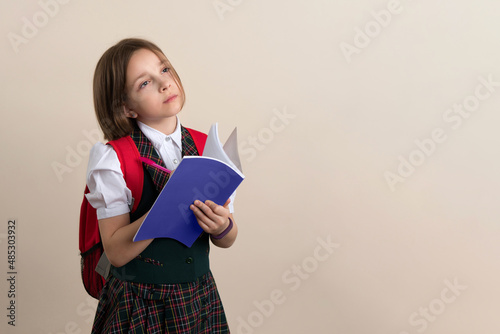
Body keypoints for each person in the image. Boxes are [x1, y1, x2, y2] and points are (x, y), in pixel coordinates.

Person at [85, 38, 237, 333]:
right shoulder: (112, 158)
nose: (164, 83)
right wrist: (168, 208)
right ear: (126, 107)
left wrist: (222, 227)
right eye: (145, 83)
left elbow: (228, 237)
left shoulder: (208, 147)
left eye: (165, 70)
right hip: (138, 304)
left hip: (199, 298)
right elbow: (115, 251)